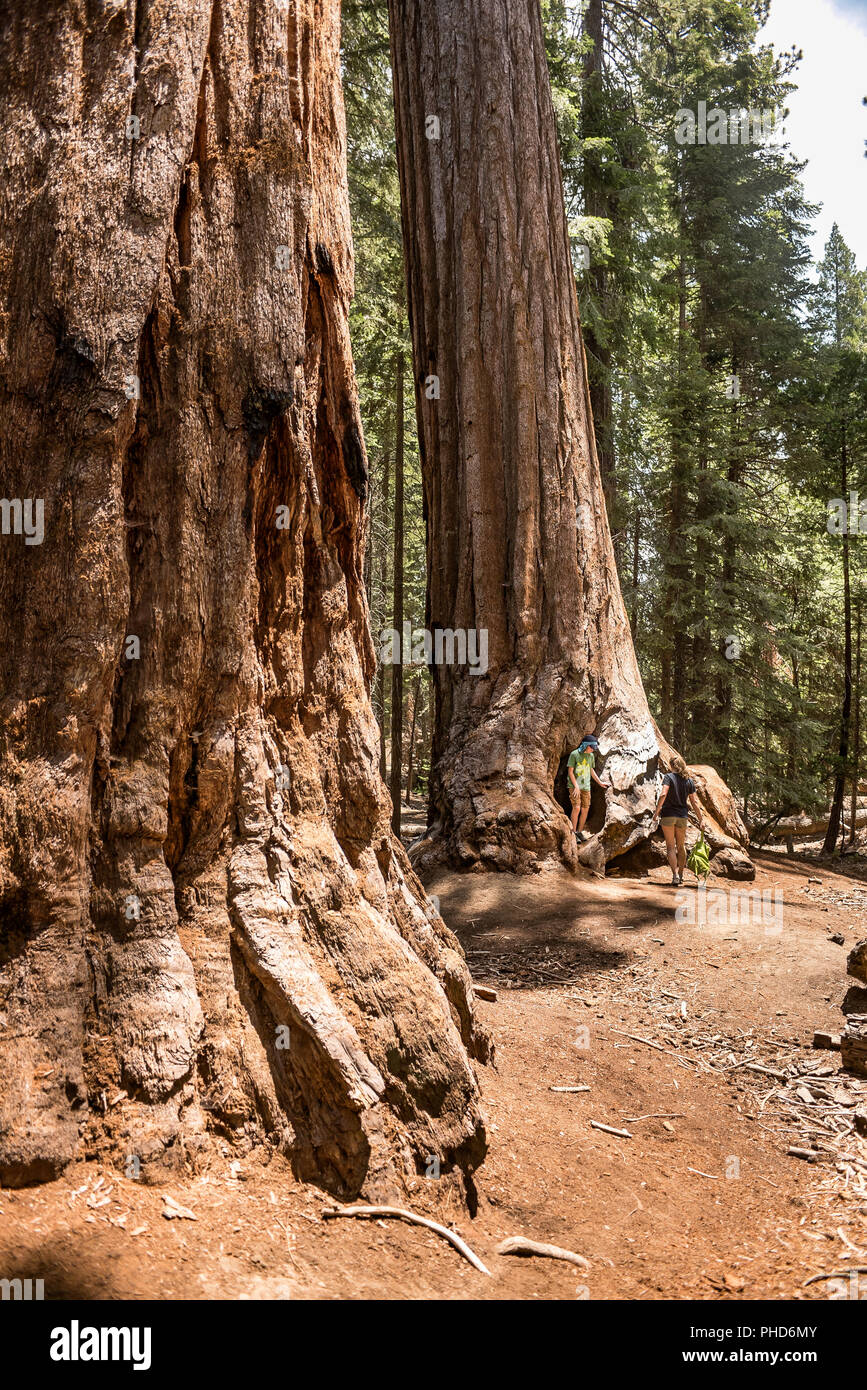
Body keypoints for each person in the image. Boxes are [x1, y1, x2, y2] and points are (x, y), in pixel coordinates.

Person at [652, 753, 709, 886]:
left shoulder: (668, 777)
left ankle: (675, 875)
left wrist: (657, 811)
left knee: (671, 847)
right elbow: (694, 802)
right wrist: (701, 819)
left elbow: (663, 794)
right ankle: (682, 874)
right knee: (681, 846)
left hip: (668, 815)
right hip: (682, 816)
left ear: (672, 766)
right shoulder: (688, 781)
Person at [567, 735, 608, 842]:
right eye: (592, 747)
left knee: (585, 809)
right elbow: (570, 772)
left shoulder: (590, 756)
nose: (593, 750)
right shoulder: (574, 754)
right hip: (574, 786)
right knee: (576, 808)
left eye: (594, 748)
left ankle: (579, 832)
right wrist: (576, 786)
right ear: (585, 745)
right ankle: (573, 832)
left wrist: (600, 783)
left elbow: (591, 770)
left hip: (586, 787)